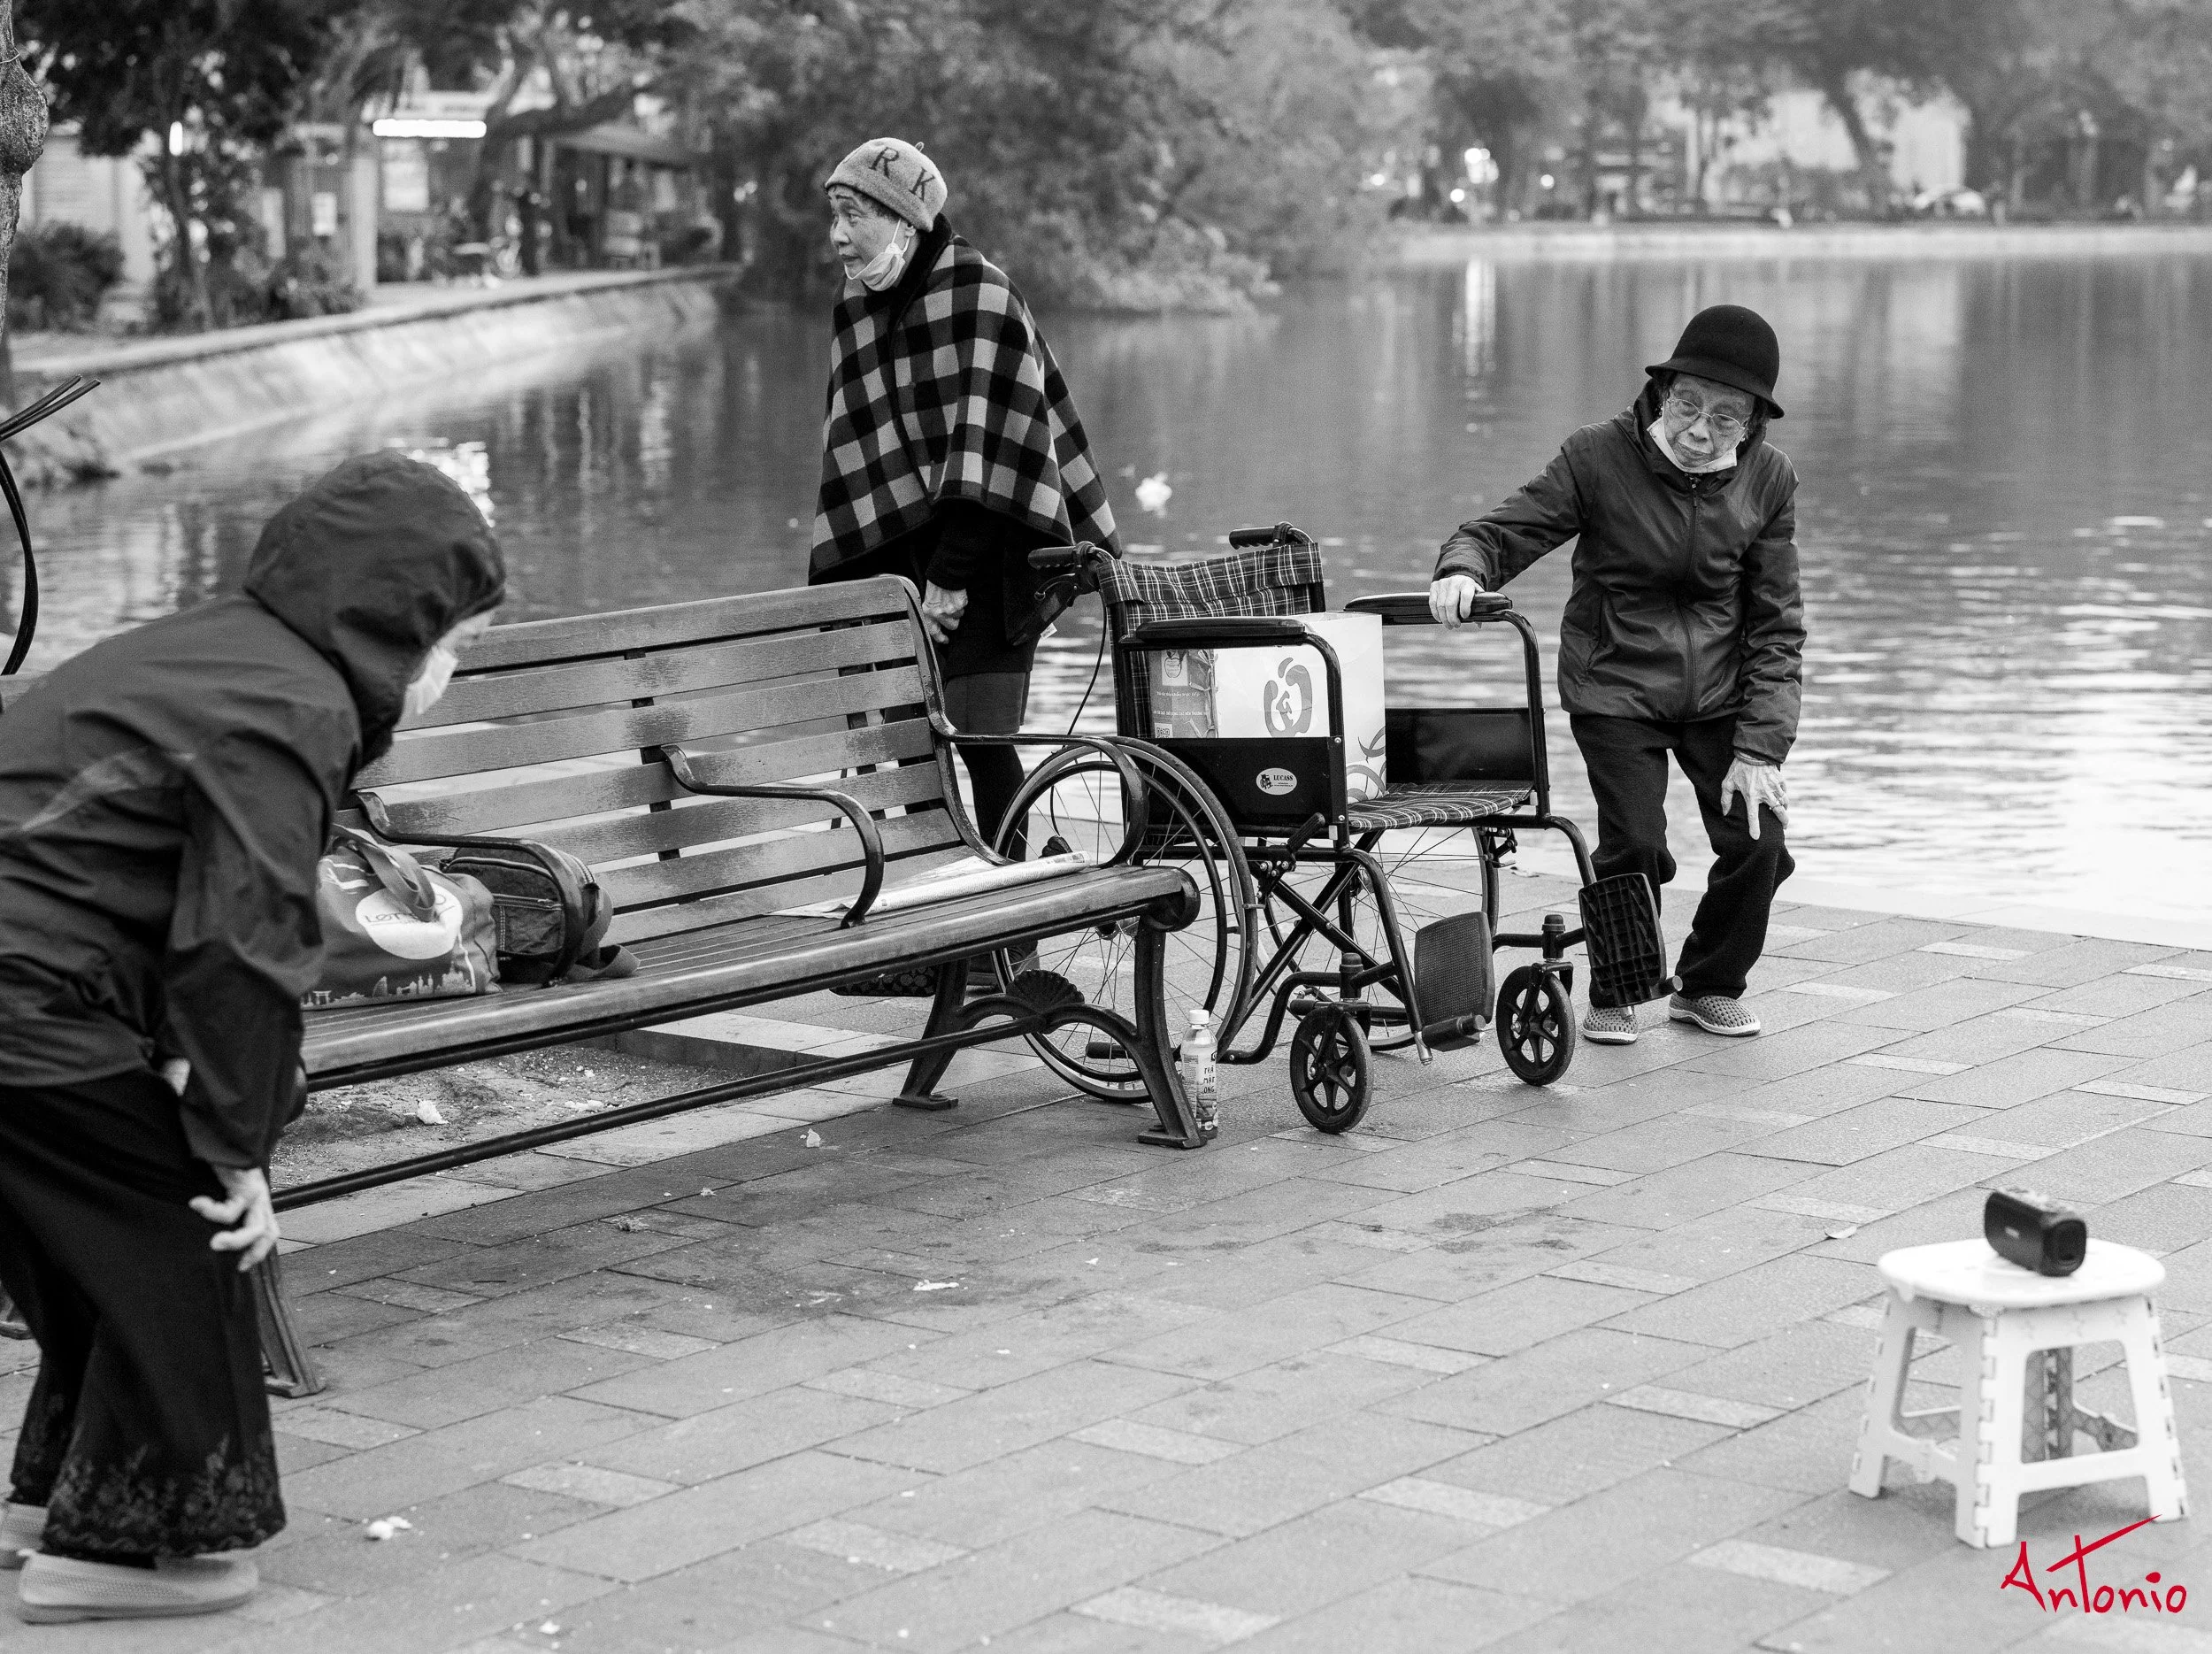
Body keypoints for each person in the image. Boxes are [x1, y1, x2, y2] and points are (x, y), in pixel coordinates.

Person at [0, 452, 503, 1621]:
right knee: (191, 1234)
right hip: (24, 991)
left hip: (33, 984)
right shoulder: (294, 703)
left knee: (100, 1233)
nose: (453, 670)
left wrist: (201, 1096)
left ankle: (62, 1501)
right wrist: (236, 1150)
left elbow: (171, 897)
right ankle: (142, 1550)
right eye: (458, 641)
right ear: (398, 621)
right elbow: (247, 940)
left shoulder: (233, 650)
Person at [1429, 304, 1803, 1044]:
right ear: (1663, 391)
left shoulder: (1769, 479)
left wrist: (1762, 745)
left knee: (1760, 842)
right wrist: (1463, 568)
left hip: (1721, 693)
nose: (1700, 432)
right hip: (1617, 681)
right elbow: (1503, 531)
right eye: (1688, 405)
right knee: (1634, 842)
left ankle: (1709, 984)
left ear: (1755, 421)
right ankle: (1621, 986)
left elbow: (1777, 623)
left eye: (1726, 418)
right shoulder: (1598, 455)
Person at [807, 137, 1119, 975]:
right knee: (911, 753)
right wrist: (892, 589)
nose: (838, 235)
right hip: (900, 571)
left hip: (993, 562)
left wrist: (948, 580)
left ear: (905, 215)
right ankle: (932, 931)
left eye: (854, 214)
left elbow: (997, 454)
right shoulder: (858, 306)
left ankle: (1009, 930)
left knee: (983, 742)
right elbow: (862, 456)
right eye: (834, 215)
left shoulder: (977, 293)